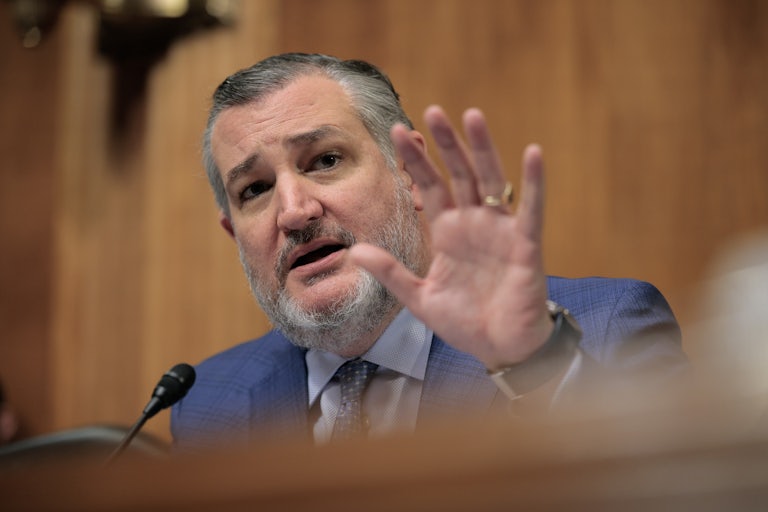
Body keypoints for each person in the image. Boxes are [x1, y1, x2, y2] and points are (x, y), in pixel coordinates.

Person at [171, 53, 687, 450]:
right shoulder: (206, 404)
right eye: (254, 190)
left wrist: (534, 365)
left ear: (410, 173)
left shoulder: (607, 329)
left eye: (325, 159)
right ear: (234, 234)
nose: (293, 211)